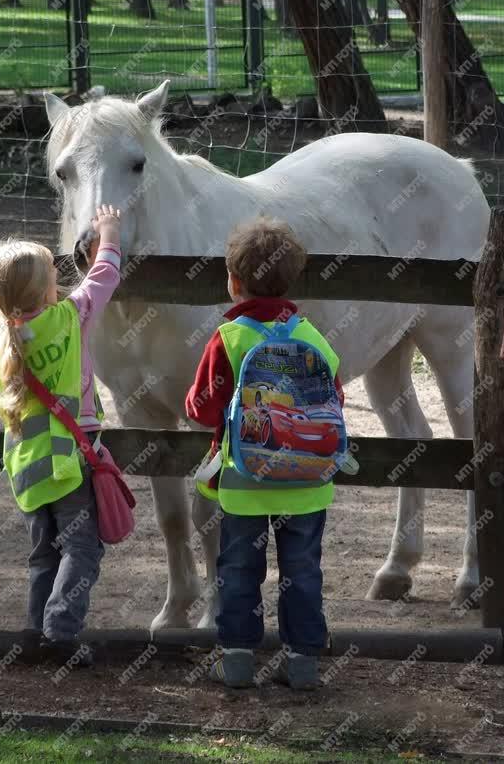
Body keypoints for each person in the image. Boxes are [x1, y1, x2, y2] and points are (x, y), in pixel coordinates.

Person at [186, 216, 345, 690]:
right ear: (292, 278)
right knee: (302, 571)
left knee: (238, 568)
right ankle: (302, 664)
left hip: (245, 483)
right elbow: (333, 399)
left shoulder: (230, 338)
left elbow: (201, 408)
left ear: (233, 282)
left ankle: (235, 659)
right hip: (307, 485)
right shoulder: (313, 337)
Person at [0, 204, 121, 663]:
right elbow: (104, 278)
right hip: (69, 463)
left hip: (25, 468)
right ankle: (61, 631)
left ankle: (37, 631)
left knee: (43, 553)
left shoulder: (0, 347)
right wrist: (109, 232)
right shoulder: (69, 317)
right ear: (47, 289)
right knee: (83, 549)